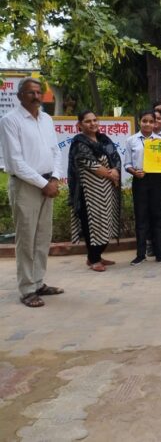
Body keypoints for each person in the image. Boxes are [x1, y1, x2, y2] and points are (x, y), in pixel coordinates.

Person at [0, 77, 63, 307]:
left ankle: (38, 282)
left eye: (38, 92)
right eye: (30, 93)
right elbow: (15, 162)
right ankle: (27, 289)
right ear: (20, 96)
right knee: (26, 238)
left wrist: (54, 178)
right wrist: (43, 183)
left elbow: (56, 151)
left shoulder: (46, 119)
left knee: (43, 236)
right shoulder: (10, 121)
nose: (36, 96)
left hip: (48, 184)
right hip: (26, 186)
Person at [67, 110, 122, 273]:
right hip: (90, 194)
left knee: (106, 223)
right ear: (80, 125)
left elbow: (116, 157)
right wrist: (111, 173)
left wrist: (117, 170)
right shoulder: (79, 143)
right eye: (88, 121)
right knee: (93, 224)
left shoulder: (104, 140)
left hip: (108, 192)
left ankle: (96, 255)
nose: (93, 123)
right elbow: (92, 165)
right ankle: (93, 259)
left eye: (95, 120)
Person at [124, 110, 161, 265]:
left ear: (155, 123)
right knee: (141, 217)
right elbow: (127, 163)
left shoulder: (160, 140)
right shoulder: (131, 140)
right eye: (144, 121)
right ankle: (140, 254)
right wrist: (134, 172)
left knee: (158, 216)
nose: (148, 124)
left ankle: (159, 253)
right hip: (140, 180)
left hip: (156, 180)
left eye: (151, 121)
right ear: (139, 121)